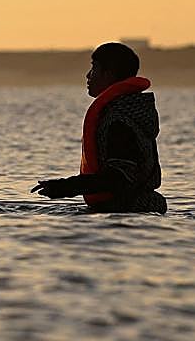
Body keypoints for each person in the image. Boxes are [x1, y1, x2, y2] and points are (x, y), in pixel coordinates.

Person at [32, 42, 165, 214]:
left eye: (94, 69)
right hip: (132, 208)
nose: (88, 76)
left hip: (128, 211)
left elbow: (120, 178)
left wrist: (66, 187)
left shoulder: (119, 121)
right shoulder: (127, 112)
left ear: (108, 74)